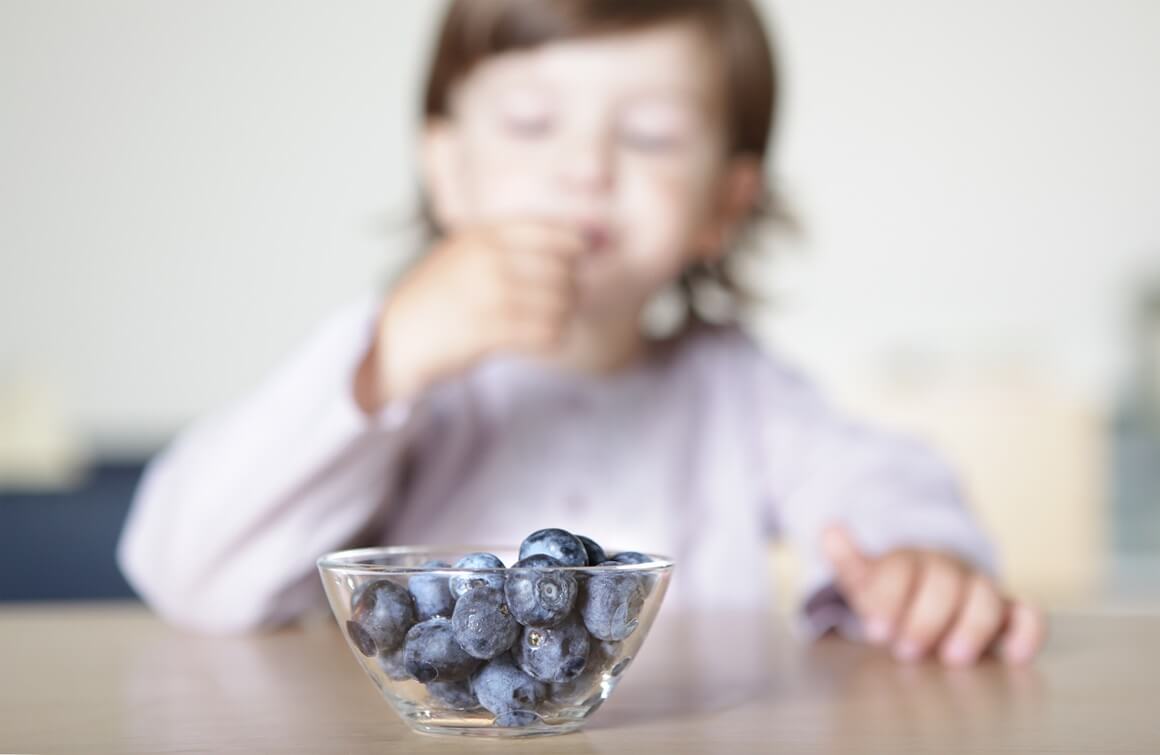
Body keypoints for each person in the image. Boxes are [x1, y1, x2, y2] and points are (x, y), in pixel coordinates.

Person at [118, 0, 1045, 667]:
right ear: (446, 167)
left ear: (724, 204)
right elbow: (187, 570)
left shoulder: (737, 393)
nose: (584, 167)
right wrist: (387, 357)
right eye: (531, 122)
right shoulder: (399, 387)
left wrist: (920, 561)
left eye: (647, 136)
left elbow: (876, 481)